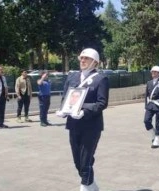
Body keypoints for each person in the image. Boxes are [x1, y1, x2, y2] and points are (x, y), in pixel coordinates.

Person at [56, 48, 109, 191]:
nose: (82, 60)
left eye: (86, 58)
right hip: (73, 124)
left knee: (85, 160)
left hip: (91, 125)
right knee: (78, 161)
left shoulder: (100, 78)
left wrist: (83, 110)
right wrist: (63, 110)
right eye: (81, 58)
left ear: (95, 62)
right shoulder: (72, 77)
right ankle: (92, 185)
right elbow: (66, 98)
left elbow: (102, 103)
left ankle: (85, 186)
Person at [144, 65, 159, 148]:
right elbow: (146, 96)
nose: (153, 73)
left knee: (158, 123)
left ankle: (157, 139)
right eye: (152, 72)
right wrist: (145, 107)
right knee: (146, 120)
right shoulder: (149, 82)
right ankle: (153, 133)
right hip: (150, 105)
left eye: (154, 72)